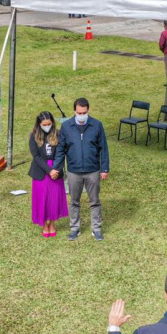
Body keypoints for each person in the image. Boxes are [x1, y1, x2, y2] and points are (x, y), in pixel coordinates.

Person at [53, 98, 110, 242]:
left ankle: (96, 229)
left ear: (88, 110)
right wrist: (55, 168)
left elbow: (104, 148)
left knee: (95, 201)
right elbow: (61, 149)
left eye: (84, 112)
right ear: (74, 111)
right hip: (74, 171)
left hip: (93, 170)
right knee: (74, 202)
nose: (82, 115)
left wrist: (104, 168)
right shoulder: (66, 127)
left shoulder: (97, 125)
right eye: (79, 113)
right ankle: (74, 229)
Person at [28, 111, 68, 237]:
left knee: (54, 198)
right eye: (44, 124)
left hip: (56, 169)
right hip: (41, 170)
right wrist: (49, 170)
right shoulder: (34, 136)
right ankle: (45, 224)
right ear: (39, 124)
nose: (47, 126)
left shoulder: (58, 134)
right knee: (42, 199)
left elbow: (61, 153)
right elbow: (36, 156)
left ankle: (52, 223)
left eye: (49, 124)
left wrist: (56, 169)